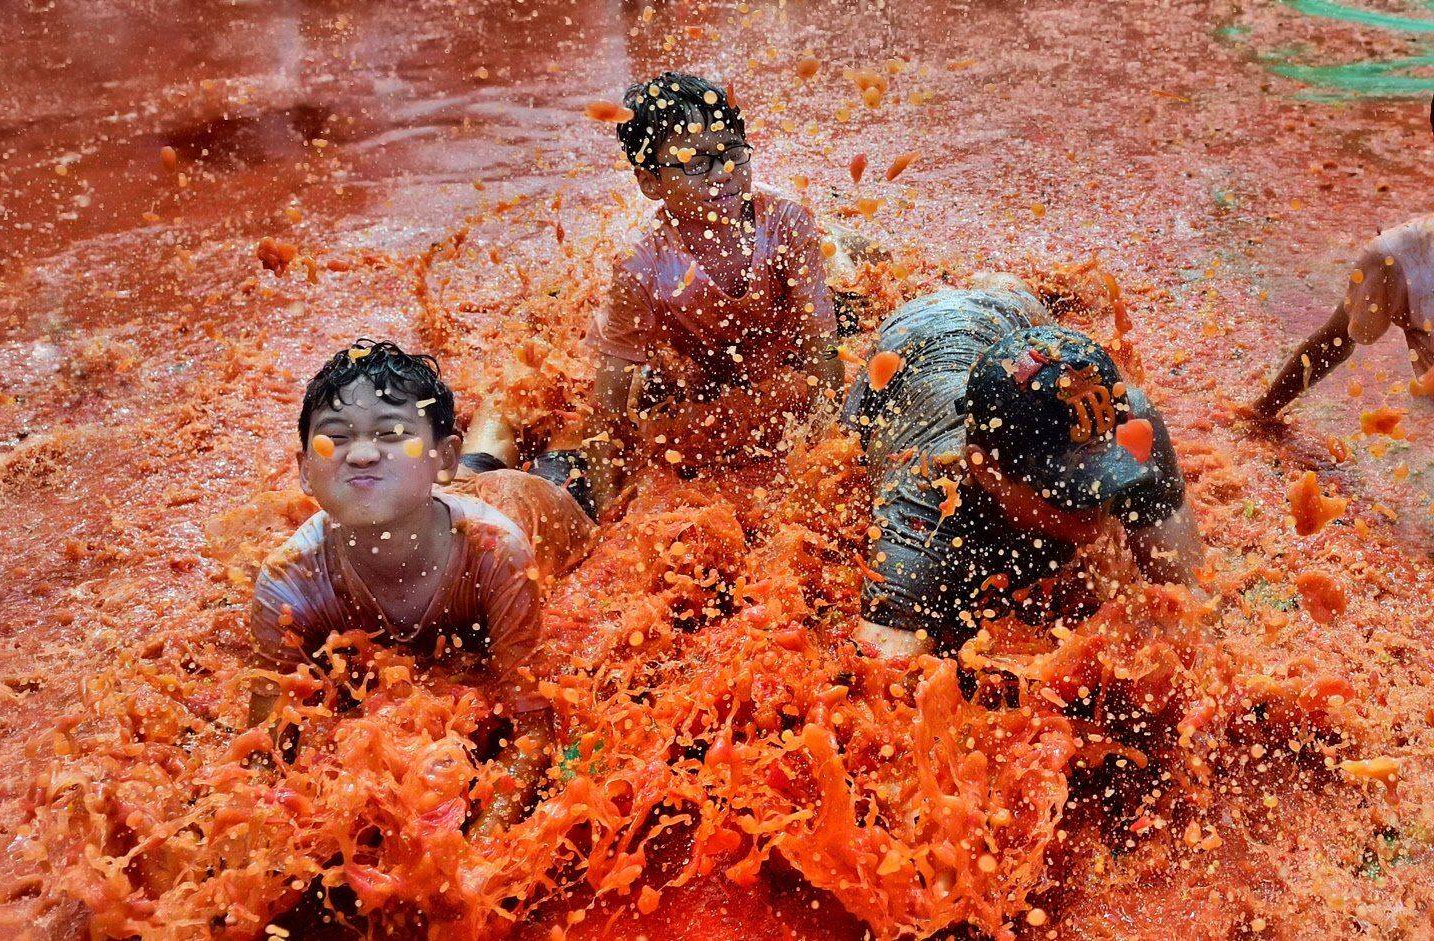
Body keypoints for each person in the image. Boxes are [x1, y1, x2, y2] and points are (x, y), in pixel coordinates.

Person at [247, 340, 592, 833]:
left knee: (575, 462)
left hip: (531, 504)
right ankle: (485, 424)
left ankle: (523, 396)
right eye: (336, 437)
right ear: (304, 470)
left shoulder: (499, 553)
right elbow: (261, 751)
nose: (362, 454)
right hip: (431, 490)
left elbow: (534, 729)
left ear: (438, 457)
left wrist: (478, 855)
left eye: (390, 432)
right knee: (473, 465)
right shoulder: (289, 582)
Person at [844, 279, 1204, 659]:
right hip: (906, 341)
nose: (1098, 503)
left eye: (1106, 470)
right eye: (1070, 488)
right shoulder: (921, 526)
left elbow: (1188, 598)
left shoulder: (1131, 425)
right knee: (843, 450)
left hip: (1010, 309)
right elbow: (883, 683)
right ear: (986, 470)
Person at [583, 71, 843, 510]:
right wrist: (604, 509)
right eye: (696, 164)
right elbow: (607, 406)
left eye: (733, 154)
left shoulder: (786, 223)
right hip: (699, 380)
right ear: (650, 183)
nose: (722, 174)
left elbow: (822, 348)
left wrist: (824, 459)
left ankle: (849, 245)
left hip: (782, 363)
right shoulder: (641, 266)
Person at [1250, 215, 1434, 418]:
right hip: (1402, 263)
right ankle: (1262, 411)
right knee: (1336, 338)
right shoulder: (1392, 258)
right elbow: (1333, 341)